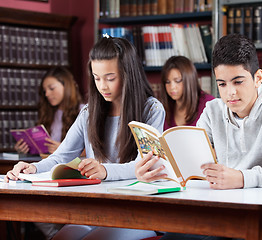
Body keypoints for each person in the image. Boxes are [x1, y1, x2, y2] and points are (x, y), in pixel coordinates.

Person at [135, 34, 262, 240]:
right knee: (175, 237)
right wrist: (154, 171)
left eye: (238, 82)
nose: (230, 93)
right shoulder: (212, 110)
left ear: (258, 78)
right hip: (227, 211)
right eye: (222, 84)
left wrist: (242, 178)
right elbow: (188, 163)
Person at [5, 35, 165, 240]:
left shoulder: (151, 109)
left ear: (128, 74)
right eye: (97, 78)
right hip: (96, 210)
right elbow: (61, 157)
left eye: (110, 78)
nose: (103, 86)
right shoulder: (89, 113)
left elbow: (143, 166)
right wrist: (32, 168)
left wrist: (104, 171)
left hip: (136, 212)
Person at [14, 66, 84, 154]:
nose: (47, 94)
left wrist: (64, 149)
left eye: (51, 88)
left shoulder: (83, 112)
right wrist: (25, 149)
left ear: (66, 87)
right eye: (44, 91)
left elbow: (93, 151)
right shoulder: (49, 113)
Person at [160, 56, 214, 130]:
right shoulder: (164, 108)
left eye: (178, 81)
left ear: (189, 80)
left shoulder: (208, 103)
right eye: (167, 82)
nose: (172, 87)